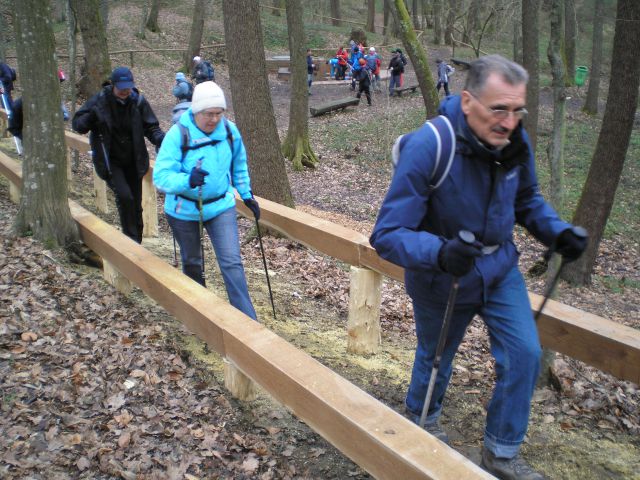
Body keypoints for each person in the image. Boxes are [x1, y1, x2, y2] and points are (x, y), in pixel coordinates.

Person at [370, 55, 588, 480]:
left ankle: (501, 452)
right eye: (499, 109)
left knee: (525, 352)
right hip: (443, 275)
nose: (509, 121)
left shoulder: (514, 141)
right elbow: (387, 233)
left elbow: (527, 200)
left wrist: (556, 232)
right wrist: (439, 252)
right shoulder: (431, 145)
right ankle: (422, 426)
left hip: (499, 268)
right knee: (435, 358)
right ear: (468, 101)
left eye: (517, 109)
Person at [153, 81, 259, 321]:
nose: (213, 119)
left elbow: (239, 164)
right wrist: (187, 180)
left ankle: (247, 321)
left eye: (218, 113)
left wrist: (246, 194)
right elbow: (161, 177)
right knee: (192, 262)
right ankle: (199, 314)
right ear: (196, 112)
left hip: (221, 205)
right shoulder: (178, 134)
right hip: (184, 210)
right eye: (208, 114)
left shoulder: (230, 131)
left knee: (232, 262)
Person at [72, 66, 165, 244]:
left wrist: (162, 140)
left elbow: (151, 127)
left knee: (136, 205)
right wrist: (92, 116)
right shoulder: (99, 101)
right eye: (121, 87)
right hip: (111, 161)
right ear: (113, 84)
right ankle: (131, 243)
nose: (125, 90)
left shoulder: (138, 101)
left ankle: (136, 242)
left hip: (134, 160)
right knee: (125, 198)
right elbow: (78, 125)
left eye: (128, 86)